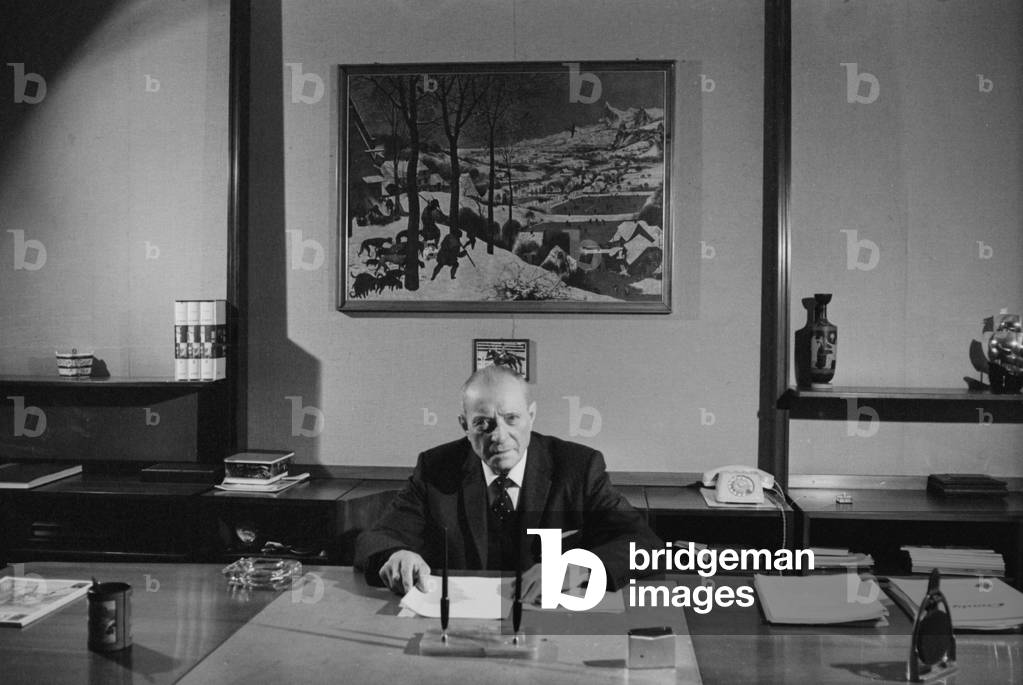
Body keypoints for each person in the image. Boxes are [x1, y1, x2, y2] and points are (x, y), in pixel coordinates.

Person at [355, 365, 662, 601]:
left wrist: (578, 568)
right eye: (483, 423)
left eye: (511, 419)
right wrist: (396, 554)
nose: (499, 436)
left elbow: (644, 544)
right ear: (464, 425)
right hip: (459, 624)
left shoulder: (578, 468)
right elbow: (378, 537)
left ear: (531, 416)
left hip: (551, 621)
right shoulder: (437, 468)